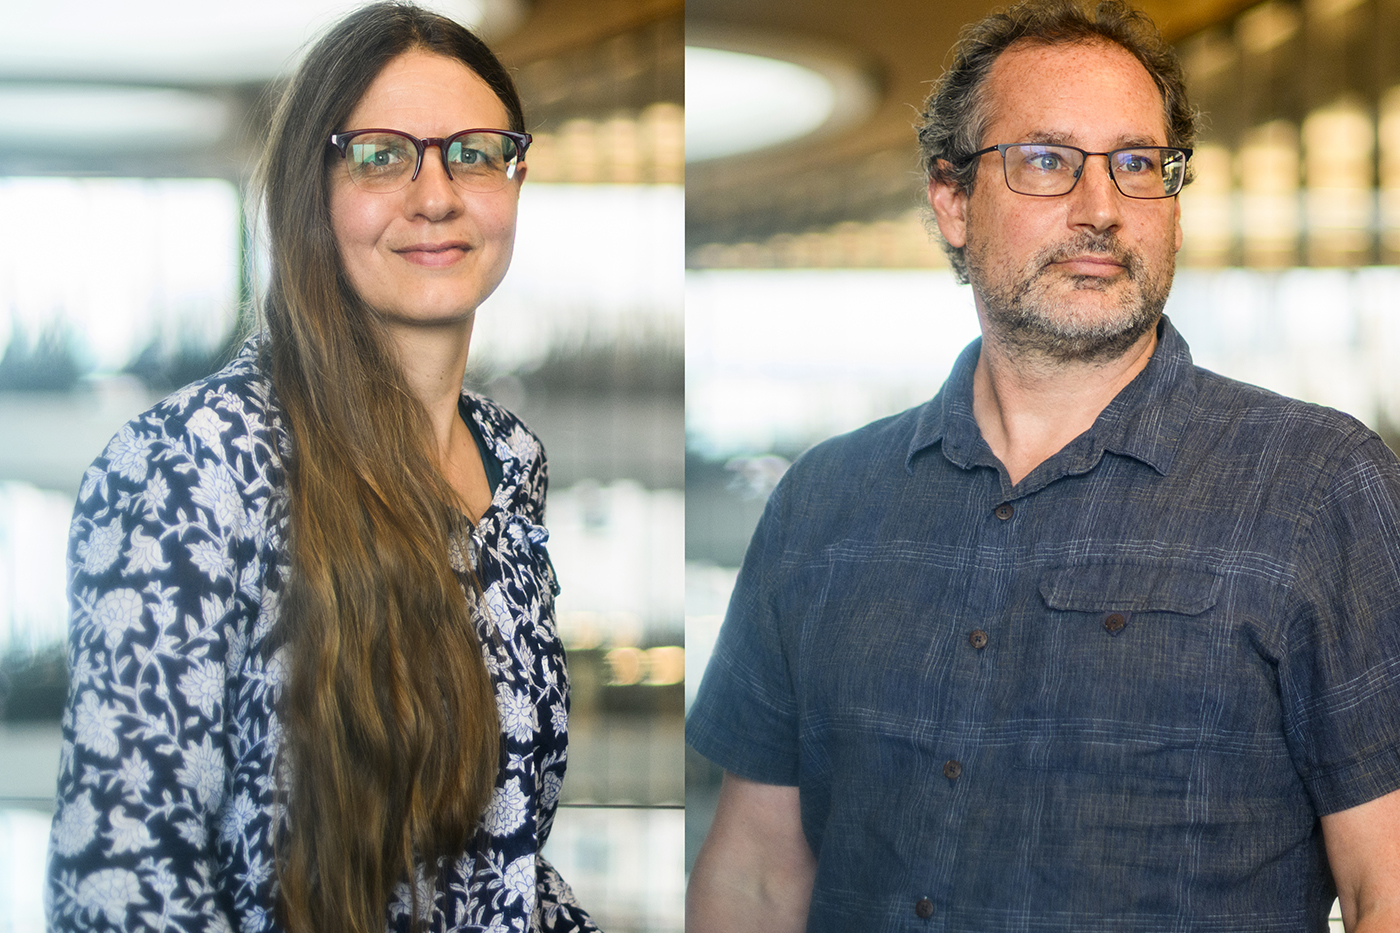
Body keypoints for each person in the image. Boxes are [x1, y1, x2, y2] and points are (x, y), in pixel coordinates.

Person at [685, 1, 1400, 930]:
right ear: (951, 200)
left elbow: (1385, 878)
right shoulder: (822, 503)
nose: (1101, 209)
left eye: (1138, 165)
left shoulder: (1317, 486)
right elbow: (756, 875)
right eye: (1047, 161)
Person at [46, 5, 598, 931]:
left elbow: (505, 859)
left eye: (474, 151)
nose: (436, 194)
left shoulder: (511, 460)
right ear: (314, 188)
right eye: (382, 155)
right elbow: (124, 885)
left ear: (516, 177)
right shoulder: (196, 464)